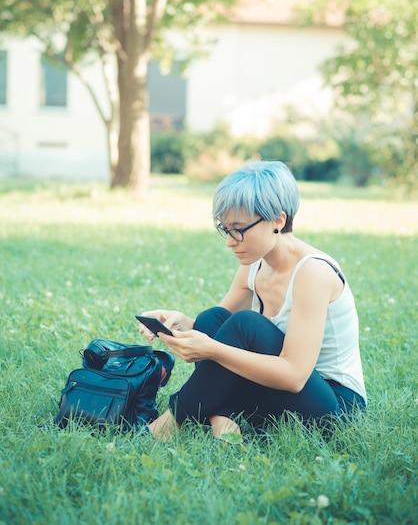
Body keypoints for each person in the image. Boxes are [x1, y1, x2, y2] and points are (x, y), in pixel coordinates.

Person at [138, 160, 367, 441]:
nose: (230, 241)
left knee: (246, 323)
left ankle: (170, 425)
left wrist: (212, 350)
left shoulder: (313, 272)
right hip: (282, 391)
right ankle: (223, 418)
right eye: (226, 229)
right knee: (212, 318)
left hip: (334, 405)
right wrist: (181, 324)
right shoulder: (255, 262)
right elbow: (218, 328)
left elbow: (294, 376)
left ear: (278, 221)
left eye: (239, 229)